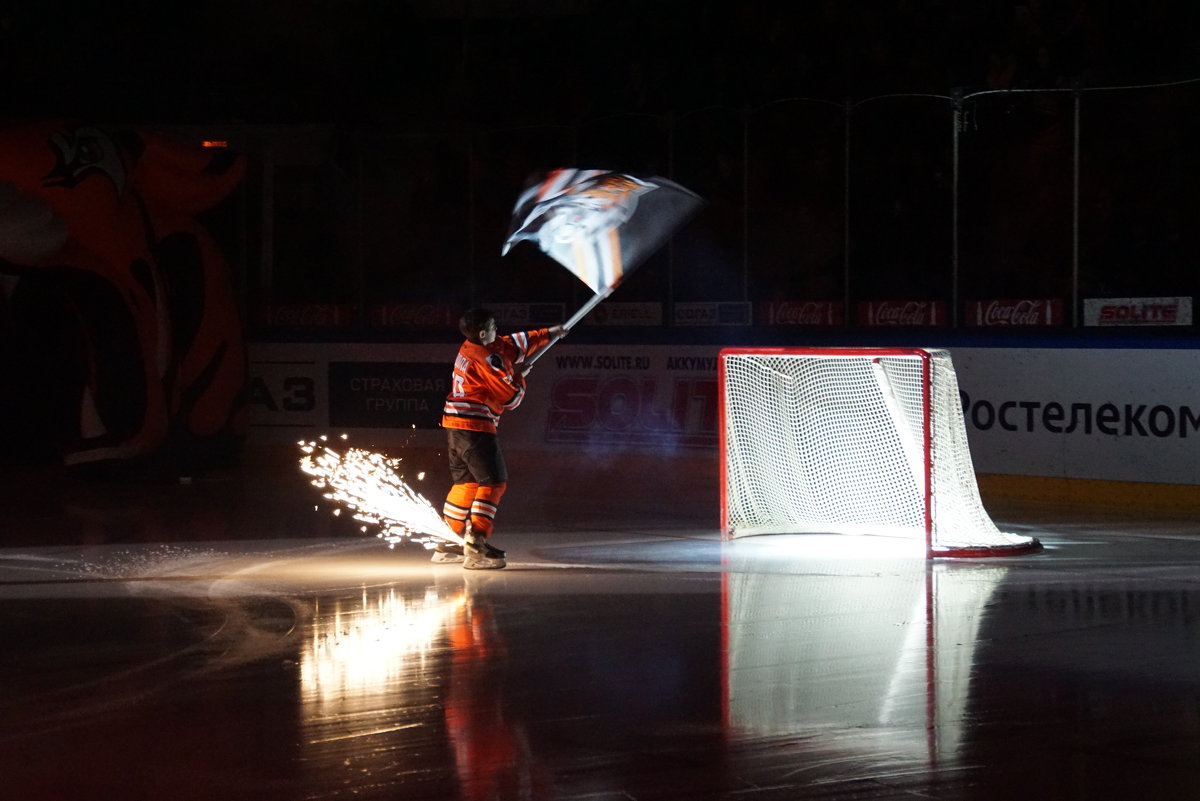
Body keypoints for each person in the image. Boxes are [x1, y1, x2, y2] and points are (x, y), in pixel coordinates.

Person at [436, 308, 565, 569]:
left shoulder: (478, 345)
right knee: (494, 482)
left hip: (455, 427)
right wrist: (519, 378)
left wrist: (549, 334)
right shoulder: (487, 359)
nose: (499, 329)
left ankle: (447, 542)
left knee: (467, 484)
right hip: (475, 427)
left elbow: (514, 343)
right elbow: (509, 398)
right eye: (494, 326)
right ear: (483, 333)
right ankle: (476, 545)